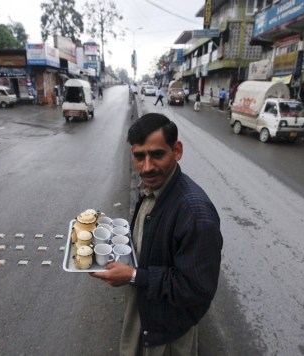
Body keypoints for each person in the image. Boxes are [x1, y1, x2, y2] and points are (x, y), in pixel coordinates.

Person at [91, 113, 223, 356]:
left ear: (177, 150)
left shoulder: (195, 215)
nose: (147, 166)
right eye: (139, 156)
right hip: (145, 317)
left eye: (157, 154)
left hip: (166, 335)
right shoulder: (153, 188)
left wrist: (132, 275)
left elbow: (195, 290)